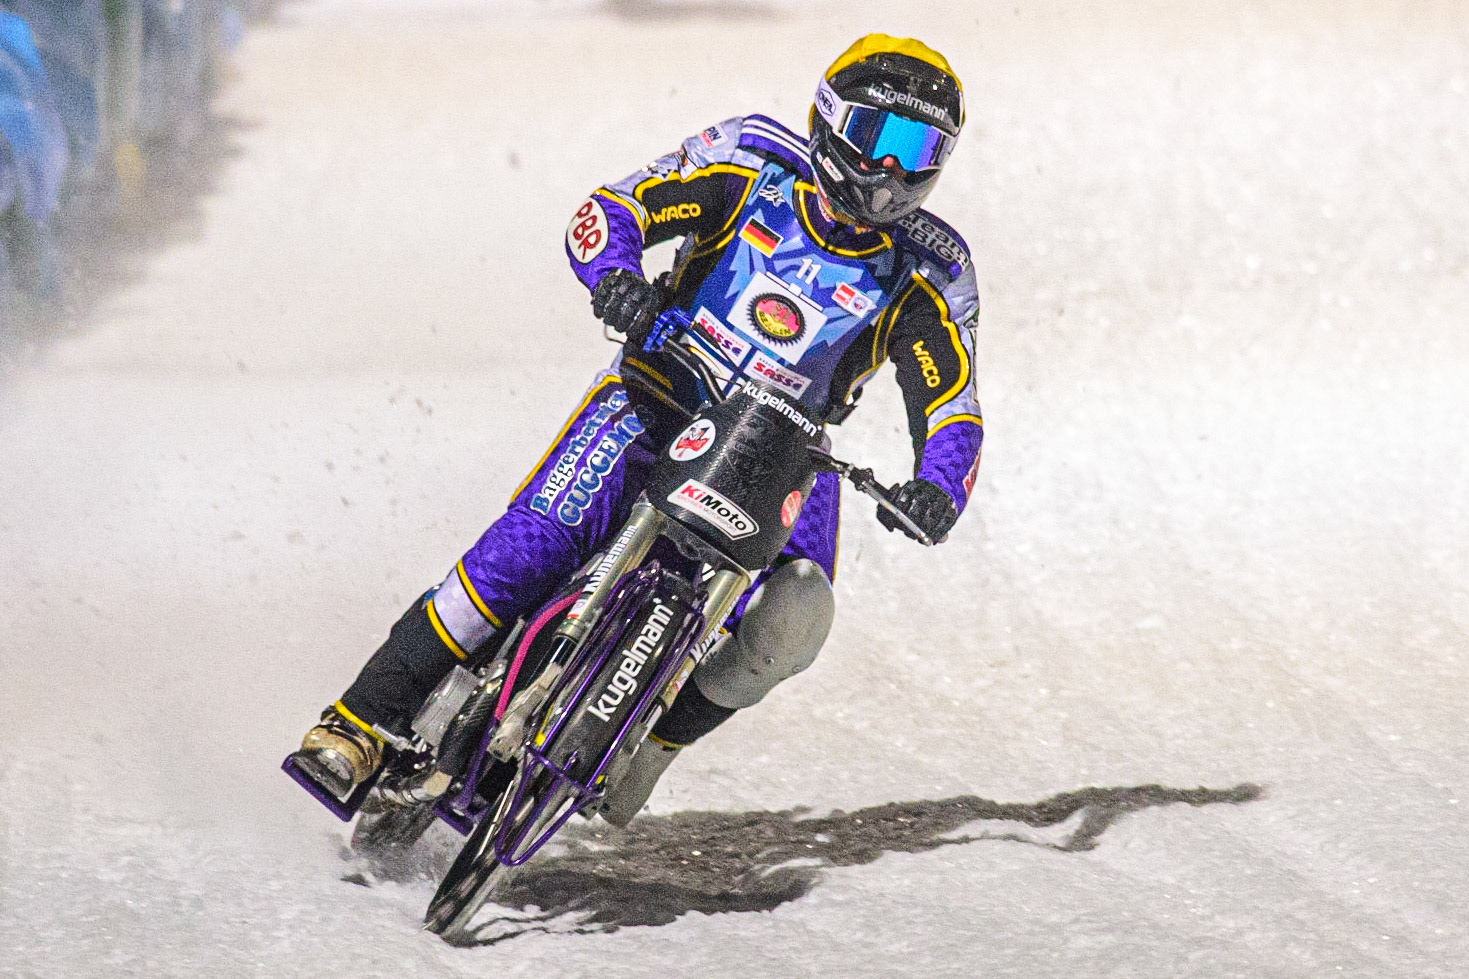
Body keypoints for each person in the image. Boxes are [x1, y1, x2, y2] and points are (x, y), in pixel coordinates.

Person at [295, 34, 984, 824]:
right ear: (829, 122)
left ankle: (649, 752)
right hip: (659, 390)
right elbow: (611, 209)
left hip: (791, 452)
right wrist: (617, 277)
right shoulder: (749, 160)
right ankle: (357, 719)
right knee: (530, 543)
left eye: (918, 149)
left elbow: (952, 399)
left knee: (799, 615)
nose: (891, 172)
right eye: (877, 139)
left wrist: (937, 487)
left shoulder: (935, 269)